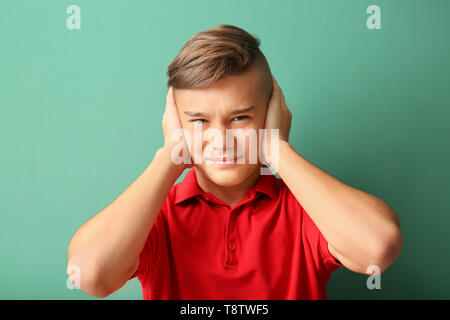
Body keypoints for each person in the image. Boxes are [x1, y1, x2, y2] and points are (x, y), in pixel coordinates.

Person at [67, 24, 403, 299]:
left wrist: (277, 150)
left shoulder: (306, 208)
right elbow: (90, 274)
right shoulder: (155, 213)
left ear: (271, 114)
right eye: (199, 121)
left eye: (240, 117)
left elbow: (377, 248)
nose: (221, 139)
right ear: (177, 122)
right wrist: (168, 156)